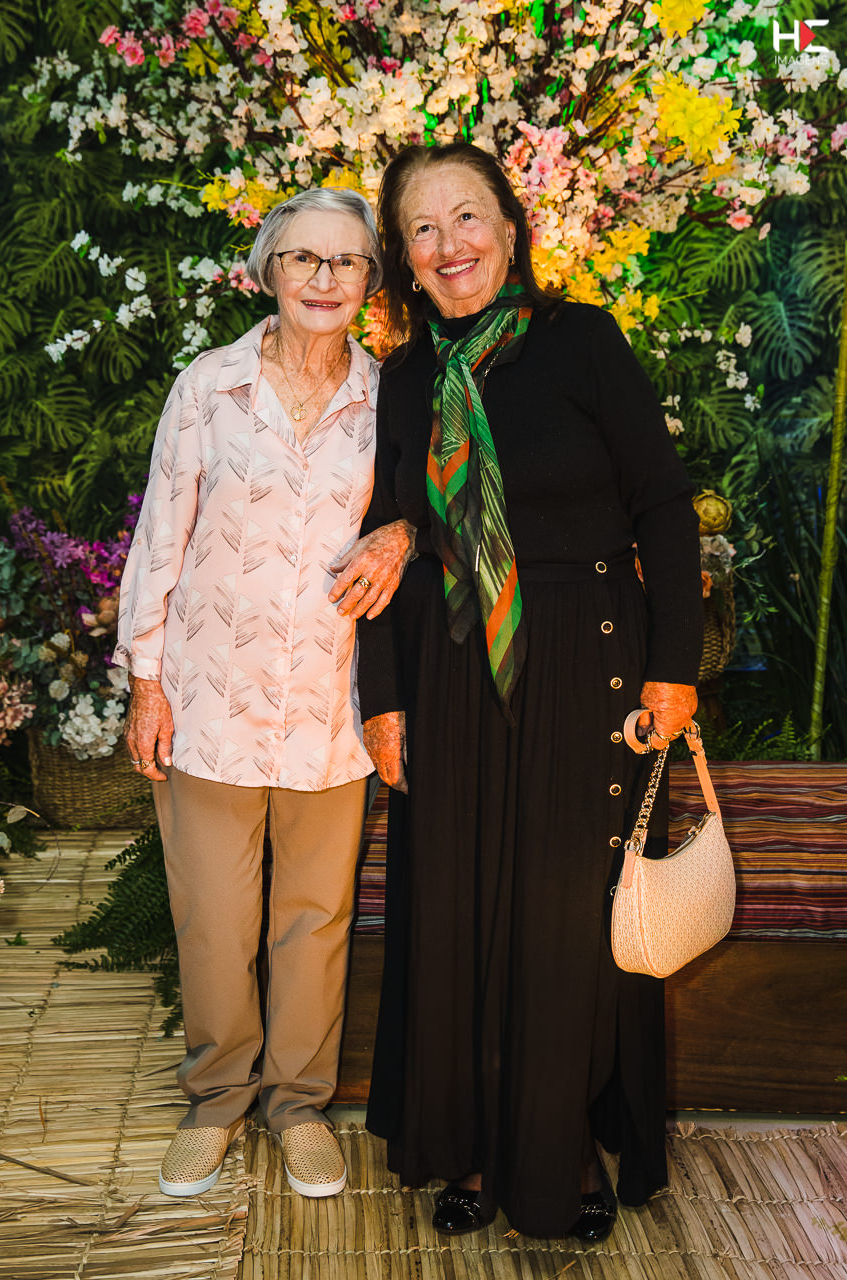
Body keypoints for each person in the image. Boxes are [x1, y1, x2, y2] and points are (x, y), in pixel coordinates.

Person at [333, 143, 703, 1241]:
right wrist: (382, 697)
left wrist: (674, 668)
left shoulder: (580, 341)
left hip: (587, 659)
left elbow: (662, 504)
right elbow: (388, 533)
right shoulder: (406, 377)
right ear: (403, 258)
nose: (449, 245)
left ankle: (560, 1149)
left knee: (563, 914)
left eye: (467, 217)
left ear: (509, 226)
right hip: (449, 665)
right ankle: (468, 1142)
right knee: (453, 906)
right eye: (422, 228)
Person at [115, 187, 386, 1201]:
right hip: (210, 698)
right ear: (269, 268)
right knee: (215, 917)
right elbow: (161, 537)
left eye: (346, 261)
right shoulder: (209, 387)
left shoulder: (389, 397)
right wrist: (146, 682)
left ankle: (298, 1104)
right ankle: (217, 1098)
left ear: (370, 280)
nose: (323, 278)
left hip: (329, 704)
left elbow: (423, 516)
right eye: (304, 258)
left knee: (314, 918)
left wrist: (403, 535)